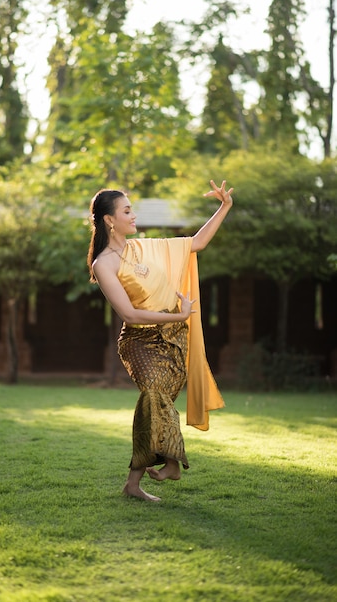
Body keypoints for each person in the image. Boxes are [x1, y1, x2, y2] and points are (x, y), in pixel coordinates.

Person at [87, 180, 233, 502]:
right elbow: (131, 315)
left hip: (174, 339)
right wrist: (180, 316)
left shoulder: (145, 248)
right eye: (127, 210)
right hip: (140, 341)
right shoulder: (104, 264)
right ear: (110, 220)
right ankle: (167, 464)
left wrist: (224, 207)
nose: (134, 215)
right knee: (154, 393)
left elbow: (195, 243)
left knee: (157, 402)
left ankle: (142, 479)